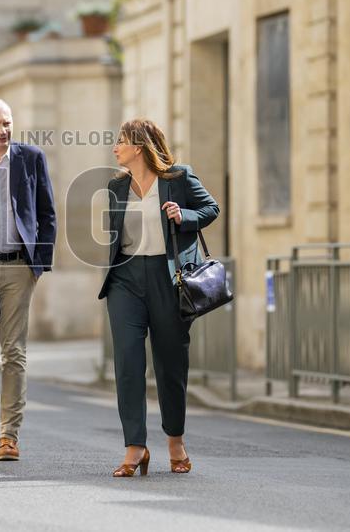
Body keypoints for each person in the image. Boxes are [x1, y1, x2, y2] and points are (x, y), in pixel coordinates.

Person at [98, 118, 219, 477]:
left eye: (120, 141)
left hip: (169, 279)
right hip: (125, 279)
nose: (115, 148)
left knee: (170, 363)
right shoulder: (115, 186)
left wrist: (184, 216)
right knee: (128, 362)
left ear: (138, 146)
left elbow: (211, 209)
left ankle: (175, 440)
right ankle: (135, 447)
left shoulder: (178, 178)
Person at [0, 98, 56, 461]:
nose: (2, 130)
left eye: (7, 123)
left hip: (19, 268)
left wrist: (39, 265)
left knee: (14, 351)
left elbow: (47, 212)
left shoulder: (30, 158)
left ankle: (9, 435)